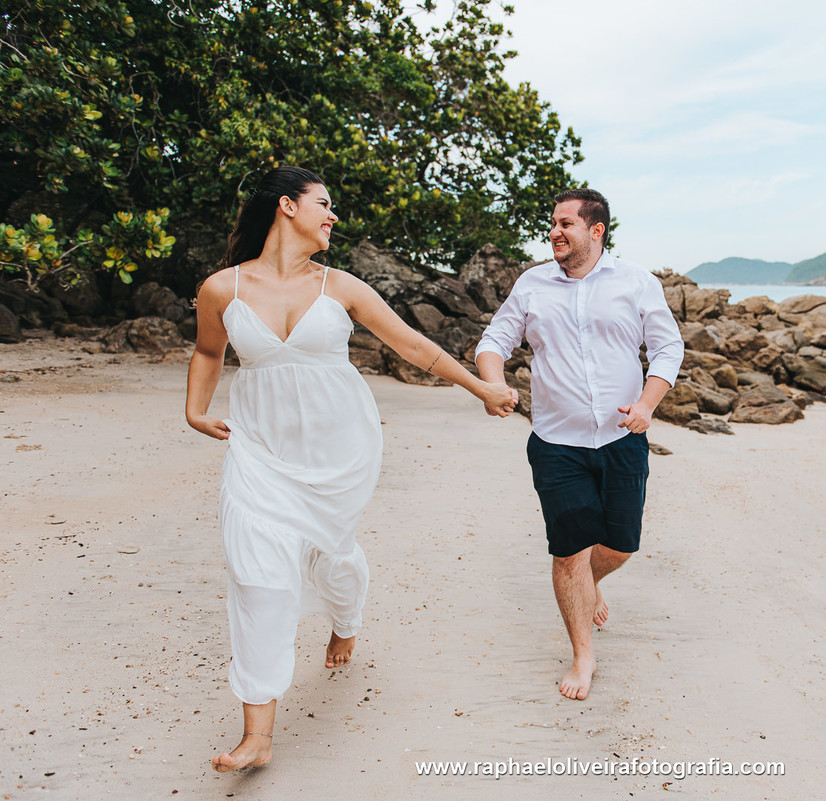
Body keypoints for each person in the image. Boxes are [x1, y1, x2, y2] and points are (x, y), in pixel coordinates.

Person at [185, 166, 516, 772]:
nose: (332, 215)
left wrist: (479, 388)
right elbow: (209, 351)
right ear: (287, 206)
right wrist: (194, 410)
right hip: (258, 450)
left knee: (333, 555)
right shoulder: (221, 288)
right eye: (324, 203)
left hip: (339, 452)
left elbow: (415, 346)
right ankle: (256, 734)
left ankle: (346, 618)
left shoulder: (341, 285)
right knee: (258, 575)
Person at [475, 188, 683, 700]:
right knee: (568, 554)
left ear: (596, 231)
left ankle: (590, 584)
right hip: (556, 443)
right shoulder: (532, 284)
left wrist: (647, 405)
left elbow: (666, 347)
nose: (555, 232)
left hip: (622, 438)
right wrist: (491, 383)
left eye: (566, 223)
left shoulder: (637, 283)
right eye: (552, 223)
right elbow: (495, 340)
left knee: (620, 545)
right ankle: (583, 655)